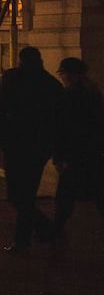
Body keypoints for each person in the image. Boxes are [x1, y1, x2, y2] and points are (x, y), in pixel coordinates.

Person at [0, 46, 63, 254]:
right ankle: (30, 236)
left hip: (16, 145)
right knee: (26, 195)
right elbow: (58, 121)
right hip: (38, 148)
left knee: (17, 196)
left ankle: (40, 232)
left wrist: (2, 140)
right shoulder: (51, 84)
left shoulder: (13, 79)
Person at [53, 57, 104, 241]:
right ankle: (57, 228)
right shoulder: (93, 92)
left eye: (63, 74)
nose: (62, 77)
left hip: (75, 154)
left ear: (70, 75)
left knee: (65, 195)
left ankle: (56, 229)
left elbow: (62, 128)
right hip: (92, 152)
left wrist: (58, 156)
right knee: (98, 192)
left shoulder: (69, 96)